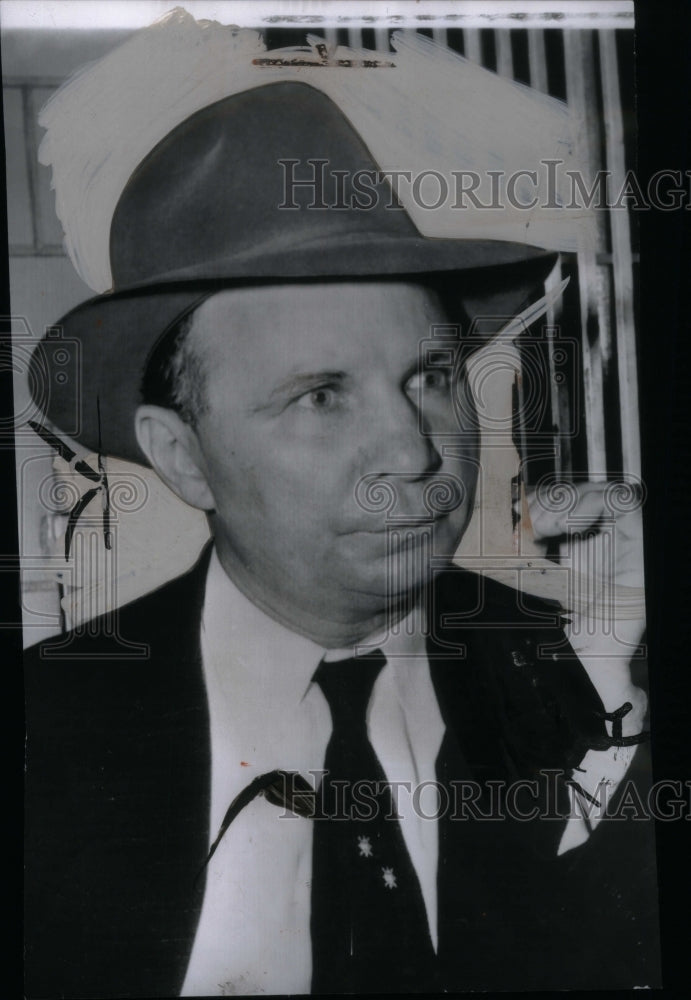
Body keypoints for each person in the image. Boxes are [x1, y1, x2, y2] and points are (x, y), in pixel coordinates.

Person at [23, 12, 659, 997]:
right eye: (321, 395)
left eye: (430, 374)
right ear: (182, 455)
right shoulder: (48, 732)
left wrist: (616, 689)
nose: (412, 449)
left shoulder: (586, 680)